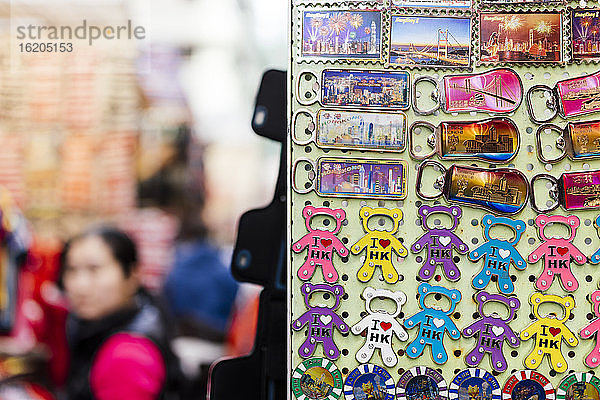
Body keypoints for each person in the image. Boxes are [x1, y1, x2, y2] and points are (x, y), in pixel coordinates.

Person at [59, 227, 182, 400]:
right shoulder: (142, 314)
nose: (80, 285)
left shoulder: (126, 356)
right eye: (71, 270)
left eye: (94, 269)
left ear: (132, 275)